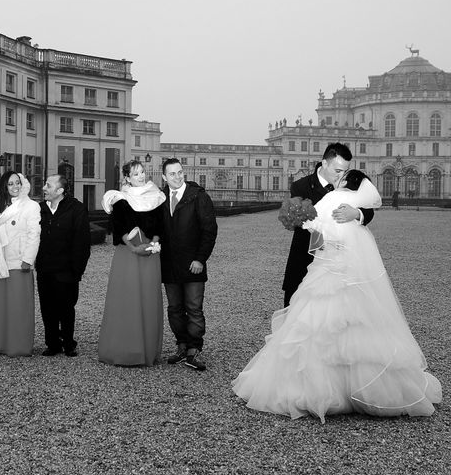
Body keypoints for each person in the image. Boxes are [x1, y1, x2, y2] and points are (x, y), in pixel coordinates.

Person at [232, 170, 442, 423]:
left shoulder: (334, 198)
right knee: (359, 322)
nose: (338, 176)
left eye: (342, 174)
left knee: (316, 323)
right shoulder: (351, 200)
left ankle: (321, 389)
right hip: (351, 269)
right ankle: (366, 387)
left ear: (344, 182)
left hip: (329, 268)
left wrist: (308, 221)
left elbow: (322, 234)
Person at [282, 143, 374, 307]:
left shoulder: (349, 183)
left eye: (344, 171)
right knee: (297, 311)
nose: (341, 177)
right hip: (306, 258)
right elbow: (298, 222)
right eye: (337, 171)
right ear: (324, 163)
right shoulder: (300, 186)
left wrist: (356, 213)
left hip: (342, 261)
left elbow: (369, 211)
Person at [98, 160, 166, 366]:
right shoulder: (120, 198)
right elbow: (119, 227)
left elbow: (160, 225)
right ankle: (123, 349)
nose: (141, 176)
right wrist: (134, 247)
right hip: (128, 256)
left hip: (150, 255)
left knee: (147, 297)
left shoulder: (157, 196)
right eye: (136, 174)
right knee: (126, 297)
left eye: (142, 172)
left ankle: (146, 350)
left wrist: (153, 244)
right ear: (127, 177)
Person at [160, 158, 218, 371]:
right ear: (164, 177)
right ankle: (182, 346)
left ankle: (194, 350)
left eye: (180, 172)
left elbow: (209, 230)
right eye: (172, 174)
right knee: (175, 309)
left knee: (194, 309)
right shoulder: (160, 199)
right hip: (169, 265)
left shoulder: (198, 197)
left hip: (193, 264)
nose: (177, 177)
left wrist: (200, 259)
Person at [0, 172, 41, 357]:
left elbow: (34, 234)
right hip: (3, 260)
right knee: (2, 305)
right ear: (4, 187)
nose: (15, 186)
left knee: (19, 306)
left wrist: (28, 260)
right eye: (10, 184)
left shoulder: (31, 206)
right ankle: (0, 342)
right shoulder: (0, 206)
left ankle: (19, 345)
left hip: (19, 261)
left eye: (18, 182)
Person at [36, 174, 91, 357]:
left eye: (48, 185)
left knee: (66, 307)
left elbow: (82, 242)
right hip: (45, 268)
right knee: (47, 307)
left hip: (66, 269)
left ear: (60, 191)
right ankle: (52, 343)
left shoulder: (76, 209)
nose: (44, 188)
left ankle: (68, 342)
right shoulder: (39, 209)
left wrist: (77, 270)